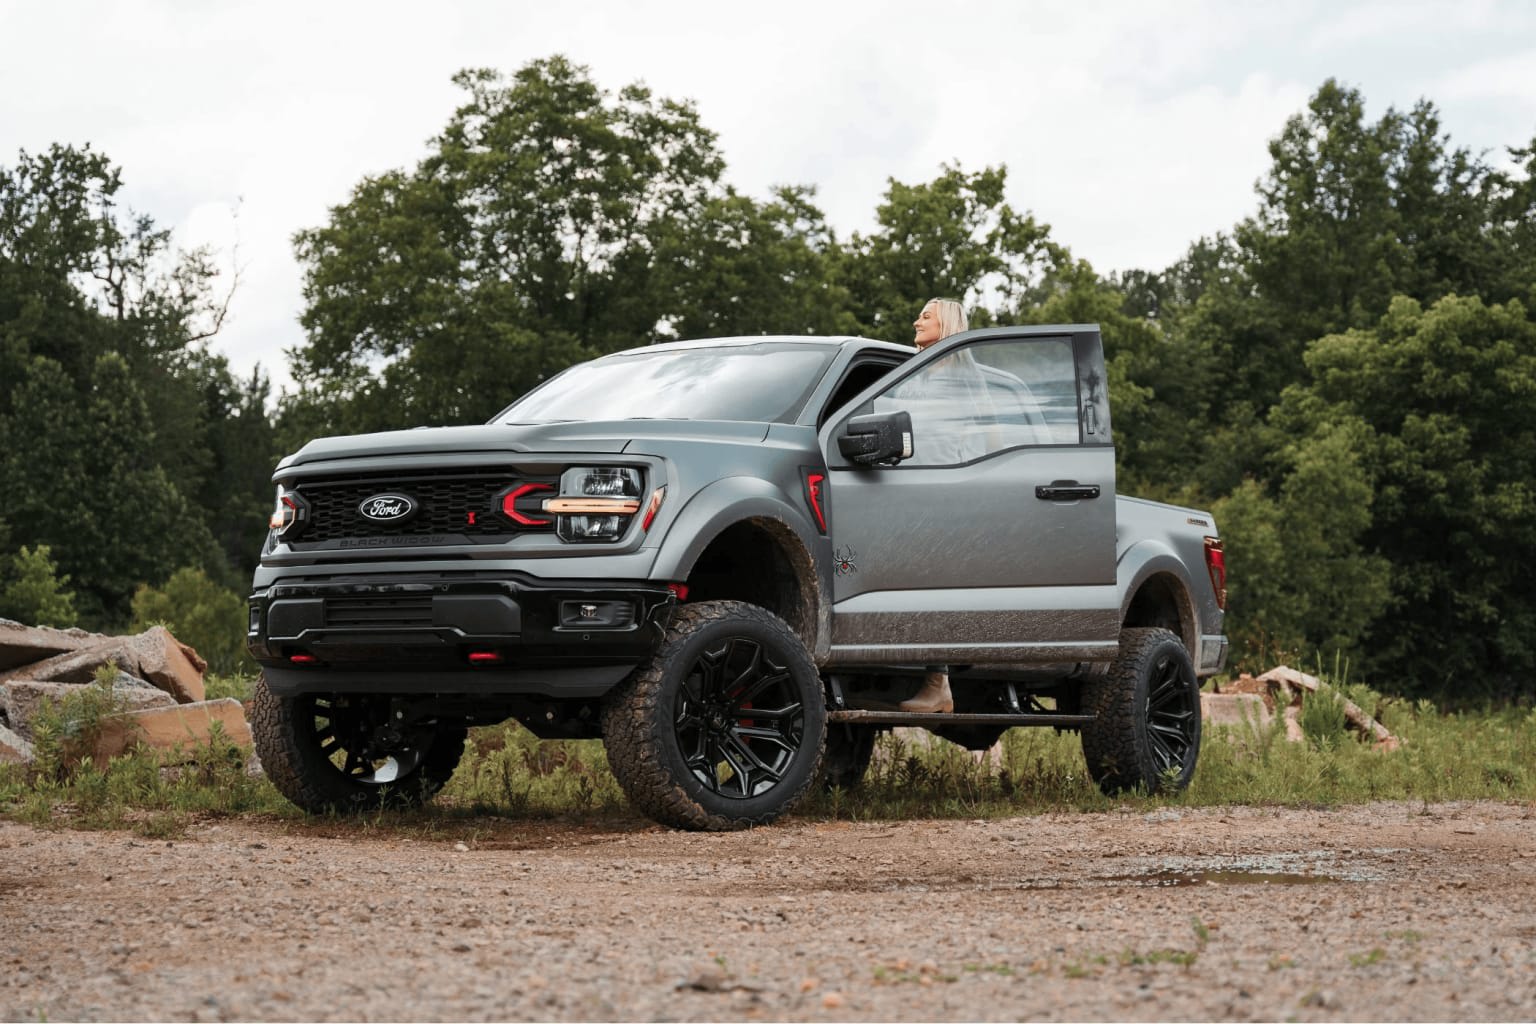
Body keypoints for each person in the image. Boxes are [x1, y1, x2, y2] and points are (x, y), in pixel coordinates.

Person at [898, 297, 968, 714]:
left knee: (933, 584)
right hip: (911, 491)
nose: (916, 320)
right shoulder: (914, 376)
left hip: (948, 492)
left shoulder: (963, 382)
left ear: (947, 324)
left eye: (926, 316)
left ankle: (937, 682)